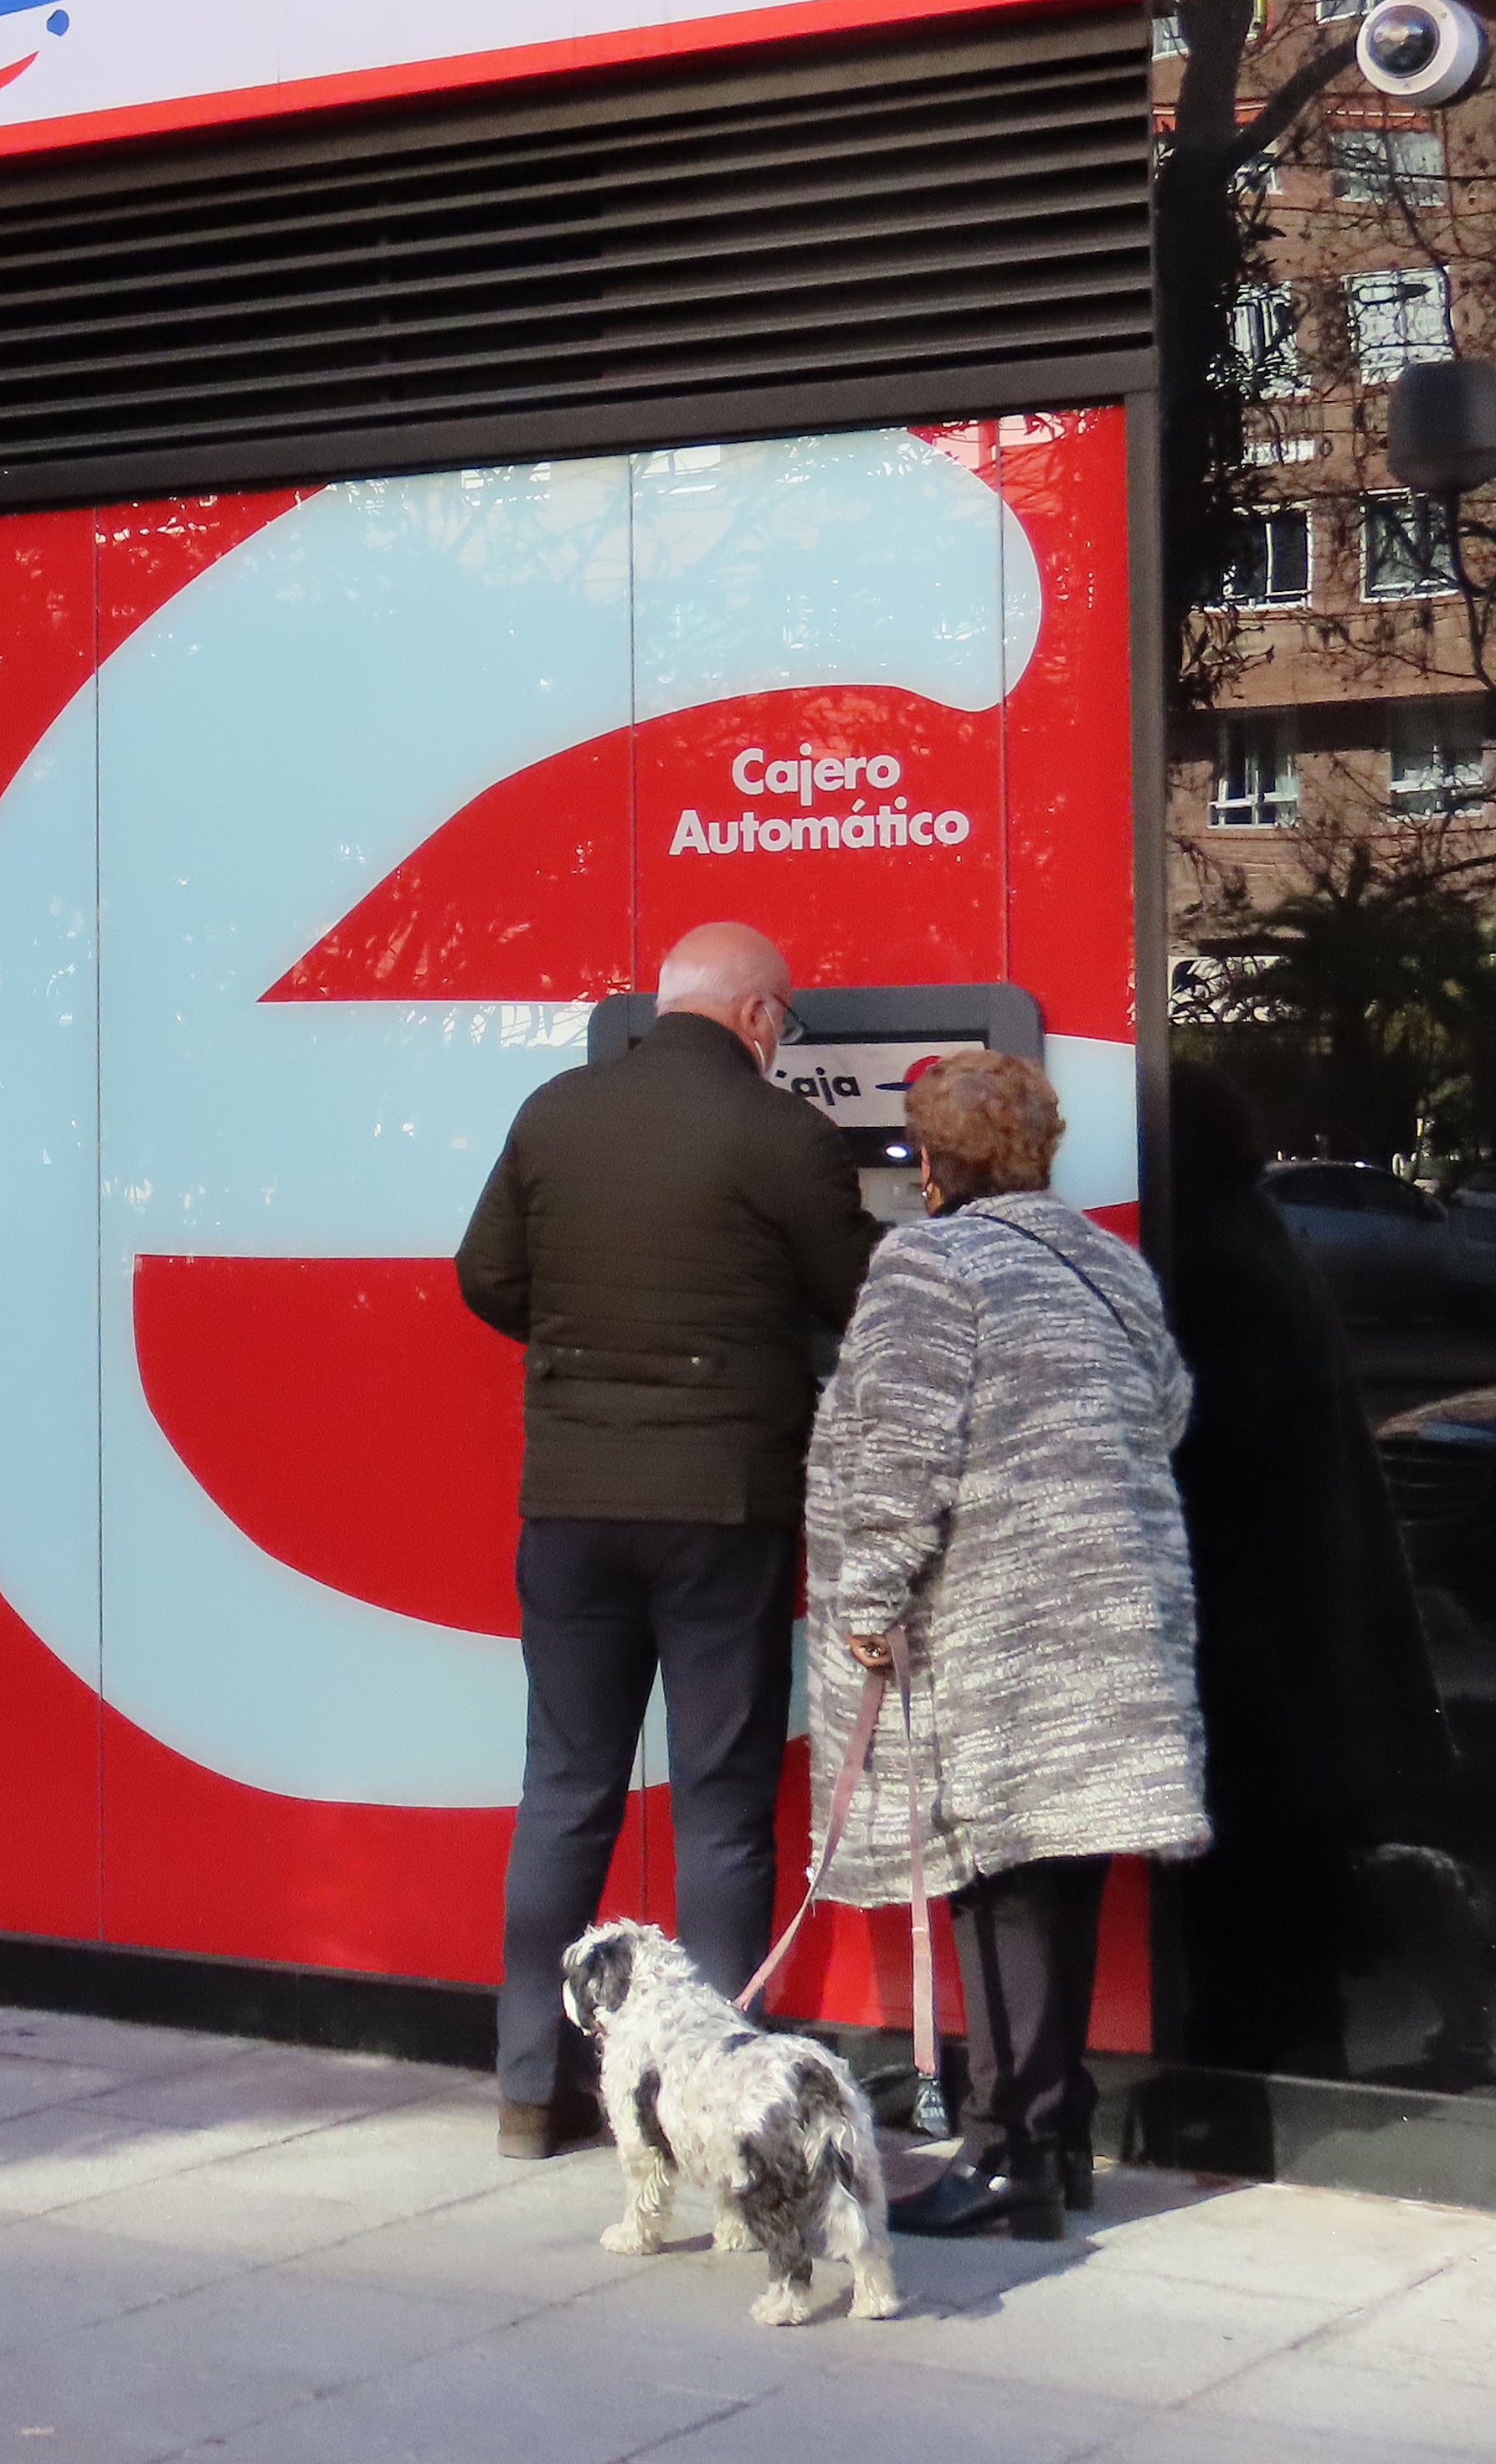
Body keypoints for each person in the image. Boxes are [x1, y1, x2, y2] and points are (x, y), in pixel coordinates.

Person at [454, 920, 875, 2158]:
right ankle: (722, 2107)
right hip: (719, 1508)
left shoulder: (558, 1109)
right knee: (723, 1806)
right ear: (756, 1014)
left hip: (574, 1500)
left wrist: (587, 1340)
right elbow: (859, 1291)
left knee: (568, 1790)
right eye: (783, 1022)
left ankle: (530, 2087)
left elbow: (486, 1276)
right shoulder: (779, 1132)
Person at [805, 1046, 1206, 2240]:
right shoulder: (1109, 1259)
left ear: (928, 1159)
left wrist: (868, 1601)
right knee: (1055, 1877)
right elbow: (1170, 1403)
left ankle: (1010, 2149)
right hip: (1106, 1608)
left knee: (992, 1878)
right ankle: (1054, 2136)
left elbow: (900, 1451)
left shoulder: (928, 1260)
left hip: (992, 1616)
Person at [1155, 1065, 1451, 2086]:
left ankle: (1252, 2054)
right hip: (1288, 1599)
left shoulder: (1217, 1262)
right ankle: (1285, 2034)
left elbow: (1216, 1430)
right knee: (1275, 1850)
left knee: (1249, 1851)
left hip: (1252, 1607)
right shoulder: (1253, 1236)